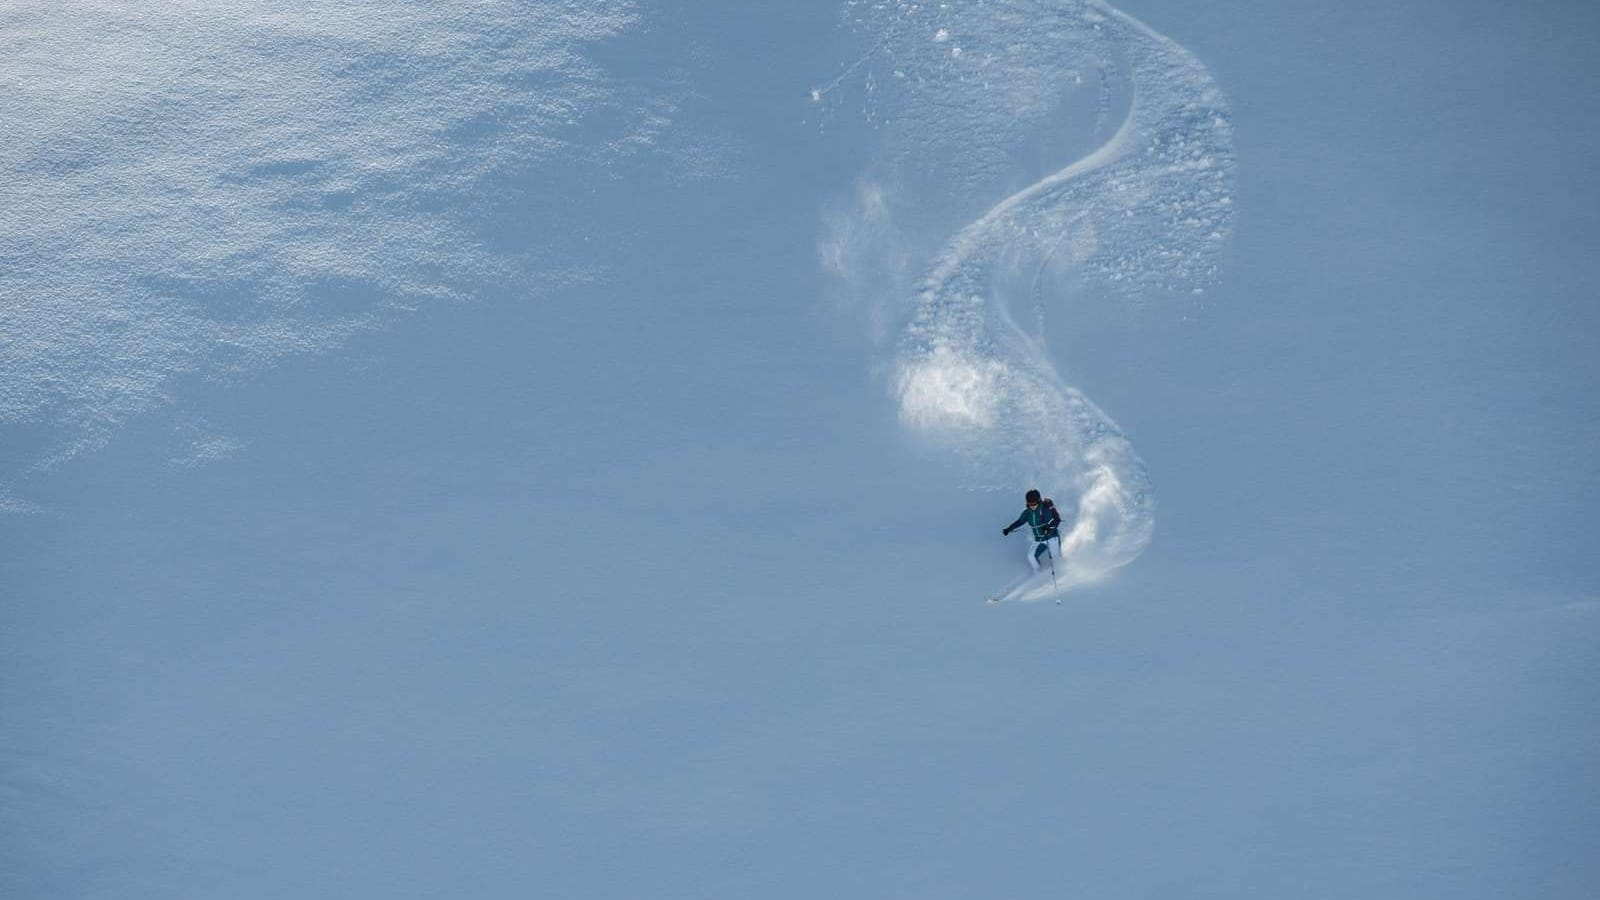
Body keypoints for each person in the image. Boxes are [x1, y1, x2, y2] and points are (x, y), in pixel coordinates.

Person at [1001, 489, 1062, 573]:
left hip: (1051, 538)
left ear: (1039, 501)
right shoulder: (1027, 513)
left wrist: (1049, 529)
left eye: (1034, 504)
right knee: (1031, 556)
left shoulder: (1044, 510)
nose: (1032, 506)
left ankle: (1060, 574)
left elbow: (1055, 522)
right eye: (1029, 504)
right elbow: (1020, 521)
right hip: (1039, 539)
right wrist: (1009, 528)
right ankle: (1039, 574)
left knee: (1056, 560)